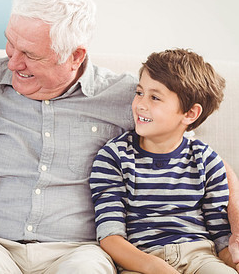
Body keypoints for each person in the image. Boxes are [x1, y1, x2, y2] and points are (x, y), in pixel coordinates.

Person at [0, 0, 239, 273]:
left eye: (31, 55)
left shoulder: (131, 97)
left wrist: (236, 231)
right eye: (11, 44)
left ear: (75, 55)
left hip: (78, 250)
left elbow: (198, 156)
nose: (12, 63)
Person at [90, 49, 238, 273]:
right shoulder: (114, 156)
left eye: (155, 97)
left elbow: (221, 239)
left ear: (189, 114)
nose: (140, 104)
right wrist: (156, 267)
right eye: (139, 92)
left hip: (200, 257)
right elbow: (110, 236)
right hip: (140, 261)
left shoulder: (208, 162)